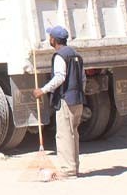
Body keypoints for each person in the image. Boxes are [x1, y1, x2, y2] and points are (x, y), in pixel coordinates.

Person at [32, 25, 86, 179]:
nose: (49, 39)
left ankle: (67, 171)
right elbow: (83, 79)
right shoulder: (76, 55)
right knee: (73, 134)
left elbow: (60, 77)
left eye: (50, 37)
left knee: (64, 135)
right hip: (78, 101)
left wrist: (42, 90)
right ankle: (73, 167)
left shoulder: (60, 56)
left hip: (66, 101)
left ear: (53, 40)